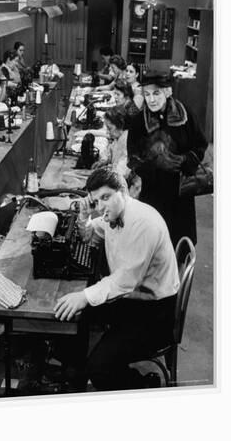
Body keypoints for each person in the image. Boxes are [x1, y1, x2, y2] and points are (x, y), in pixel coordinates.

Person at [54, 167, 179, 391]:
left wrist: (84, 295)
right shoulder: (114, 213)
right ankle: (76, 374)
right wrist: (84, 218)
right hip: (133, 299)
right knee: (72, 315)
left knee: (100, 367)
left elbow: (124, 281)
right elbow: (91, 235)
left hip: (155, 313)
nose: (101, 206)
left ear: (123, 192)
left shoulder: (143, 223)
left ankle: (140, 385)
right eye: (96, 201)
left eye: (106, 197)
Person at [127, 73, 208, 246]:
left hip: (181, 188)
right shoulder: (138, 122)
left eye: (156, 93)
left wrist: (185, 161)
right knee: (153, 240)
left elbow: (200, 145)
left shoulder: (185, 115)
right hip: (153, 190)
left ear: (168, 92)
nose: (151, 100)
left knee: (180, 239)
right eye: (147, 94)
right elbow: (132, 157)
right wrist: (154, 165)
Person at [104, 106, 130, 178]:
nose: (107, 132)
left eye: (109, 128)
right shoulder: (118, 137)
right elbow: (111, 150)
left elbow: (120, 174)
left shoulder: (127, 142)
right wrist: (105, 160)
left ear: (120, 125)